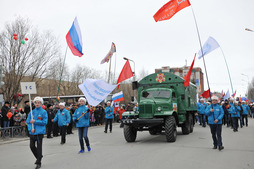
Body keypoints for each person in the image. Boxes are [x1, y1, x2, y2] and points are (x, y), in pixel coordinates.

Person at [26, 97, 48, 169]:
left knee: (39, 148)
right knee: (31, 146)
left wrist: (35, 121)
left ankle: (38, 162)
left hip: (39, 132)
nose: (37, 104)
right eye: (36, 102)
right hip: (32, 133)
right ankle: (39, 156)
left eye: (39, 102)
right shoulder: (31, 112)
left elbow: (45, 122)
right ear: (34, 103)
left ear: (41, 103)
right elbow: (28, 122)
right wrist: (30, 129)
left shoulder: (44, 112)